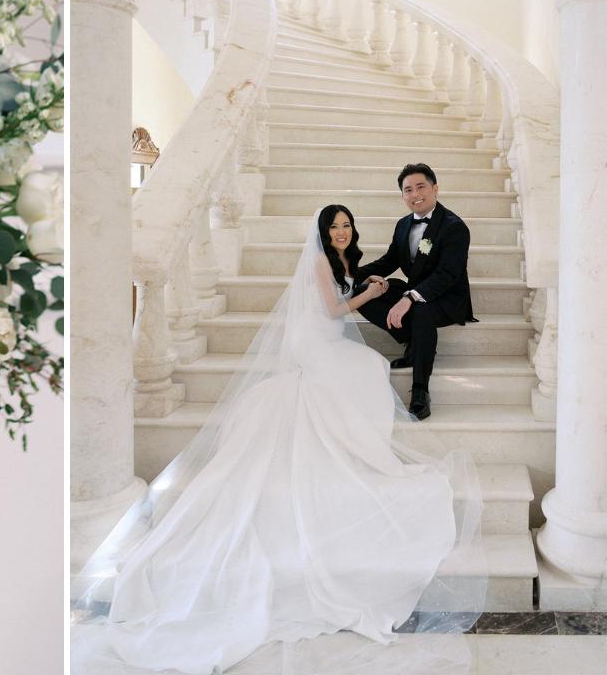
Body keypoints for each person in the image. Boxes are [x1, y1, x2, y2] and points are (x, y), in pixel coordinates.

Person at [71, 205, 484, 675]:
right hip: (316, 341)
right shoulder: (320, 261)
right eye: (335, 226)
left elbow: (352, 287)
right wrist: (369, 292)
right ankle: (354, 445)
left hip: (328, 338)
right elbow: (333, 309)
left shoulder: (345, 259)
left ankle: (355, 440)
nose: (342, 232)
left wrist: (370, 282)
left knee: (369, 365)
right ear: (323, 232)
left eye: (347, 225)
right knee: (368, 366)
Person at [356, 163, 476, 422]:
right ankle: (415, 344)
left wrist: (409, 297)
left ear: (435, 189)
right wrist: (349, 274)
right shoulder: (403, 225)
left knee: (421, 310)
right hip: (415, 291)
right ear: (403, 196)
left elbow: (447, 274)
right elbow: (389, 262)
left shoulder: (454, 226)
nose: (415, 194)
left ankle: (420, 389)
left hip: (447, 297)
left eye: (420, 187)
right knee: (364, 293)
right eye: (408, 190)